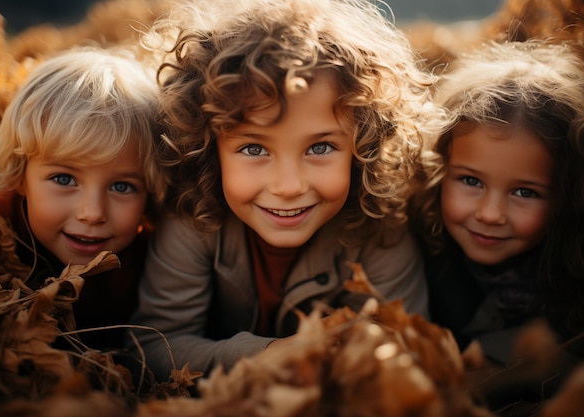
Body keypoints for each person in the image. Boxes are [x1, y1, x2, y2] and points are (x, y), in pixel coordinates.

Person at [130, 0, 448, 380]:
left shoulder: (380, 228)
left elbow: (411, 351)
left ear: (363, 146)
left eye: (320, 148)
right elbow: (154, 346)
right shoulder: (192, 220)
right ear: (209, 147)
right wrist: (259, 356)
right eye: (253, 149)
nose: (288, 186)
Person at [409, 40, 584, 411]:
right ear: (439, 170)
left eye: (525, 191)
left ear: (567, 198)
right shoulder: (419, 248)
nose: (490, 214)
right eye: (471, 181)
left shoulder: (571, 275)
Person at [0, 46, 169, 350]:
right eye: (64, 179)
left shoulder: (151, 268)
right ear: (20, 175)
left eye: (122, 187)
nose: (92, 213)